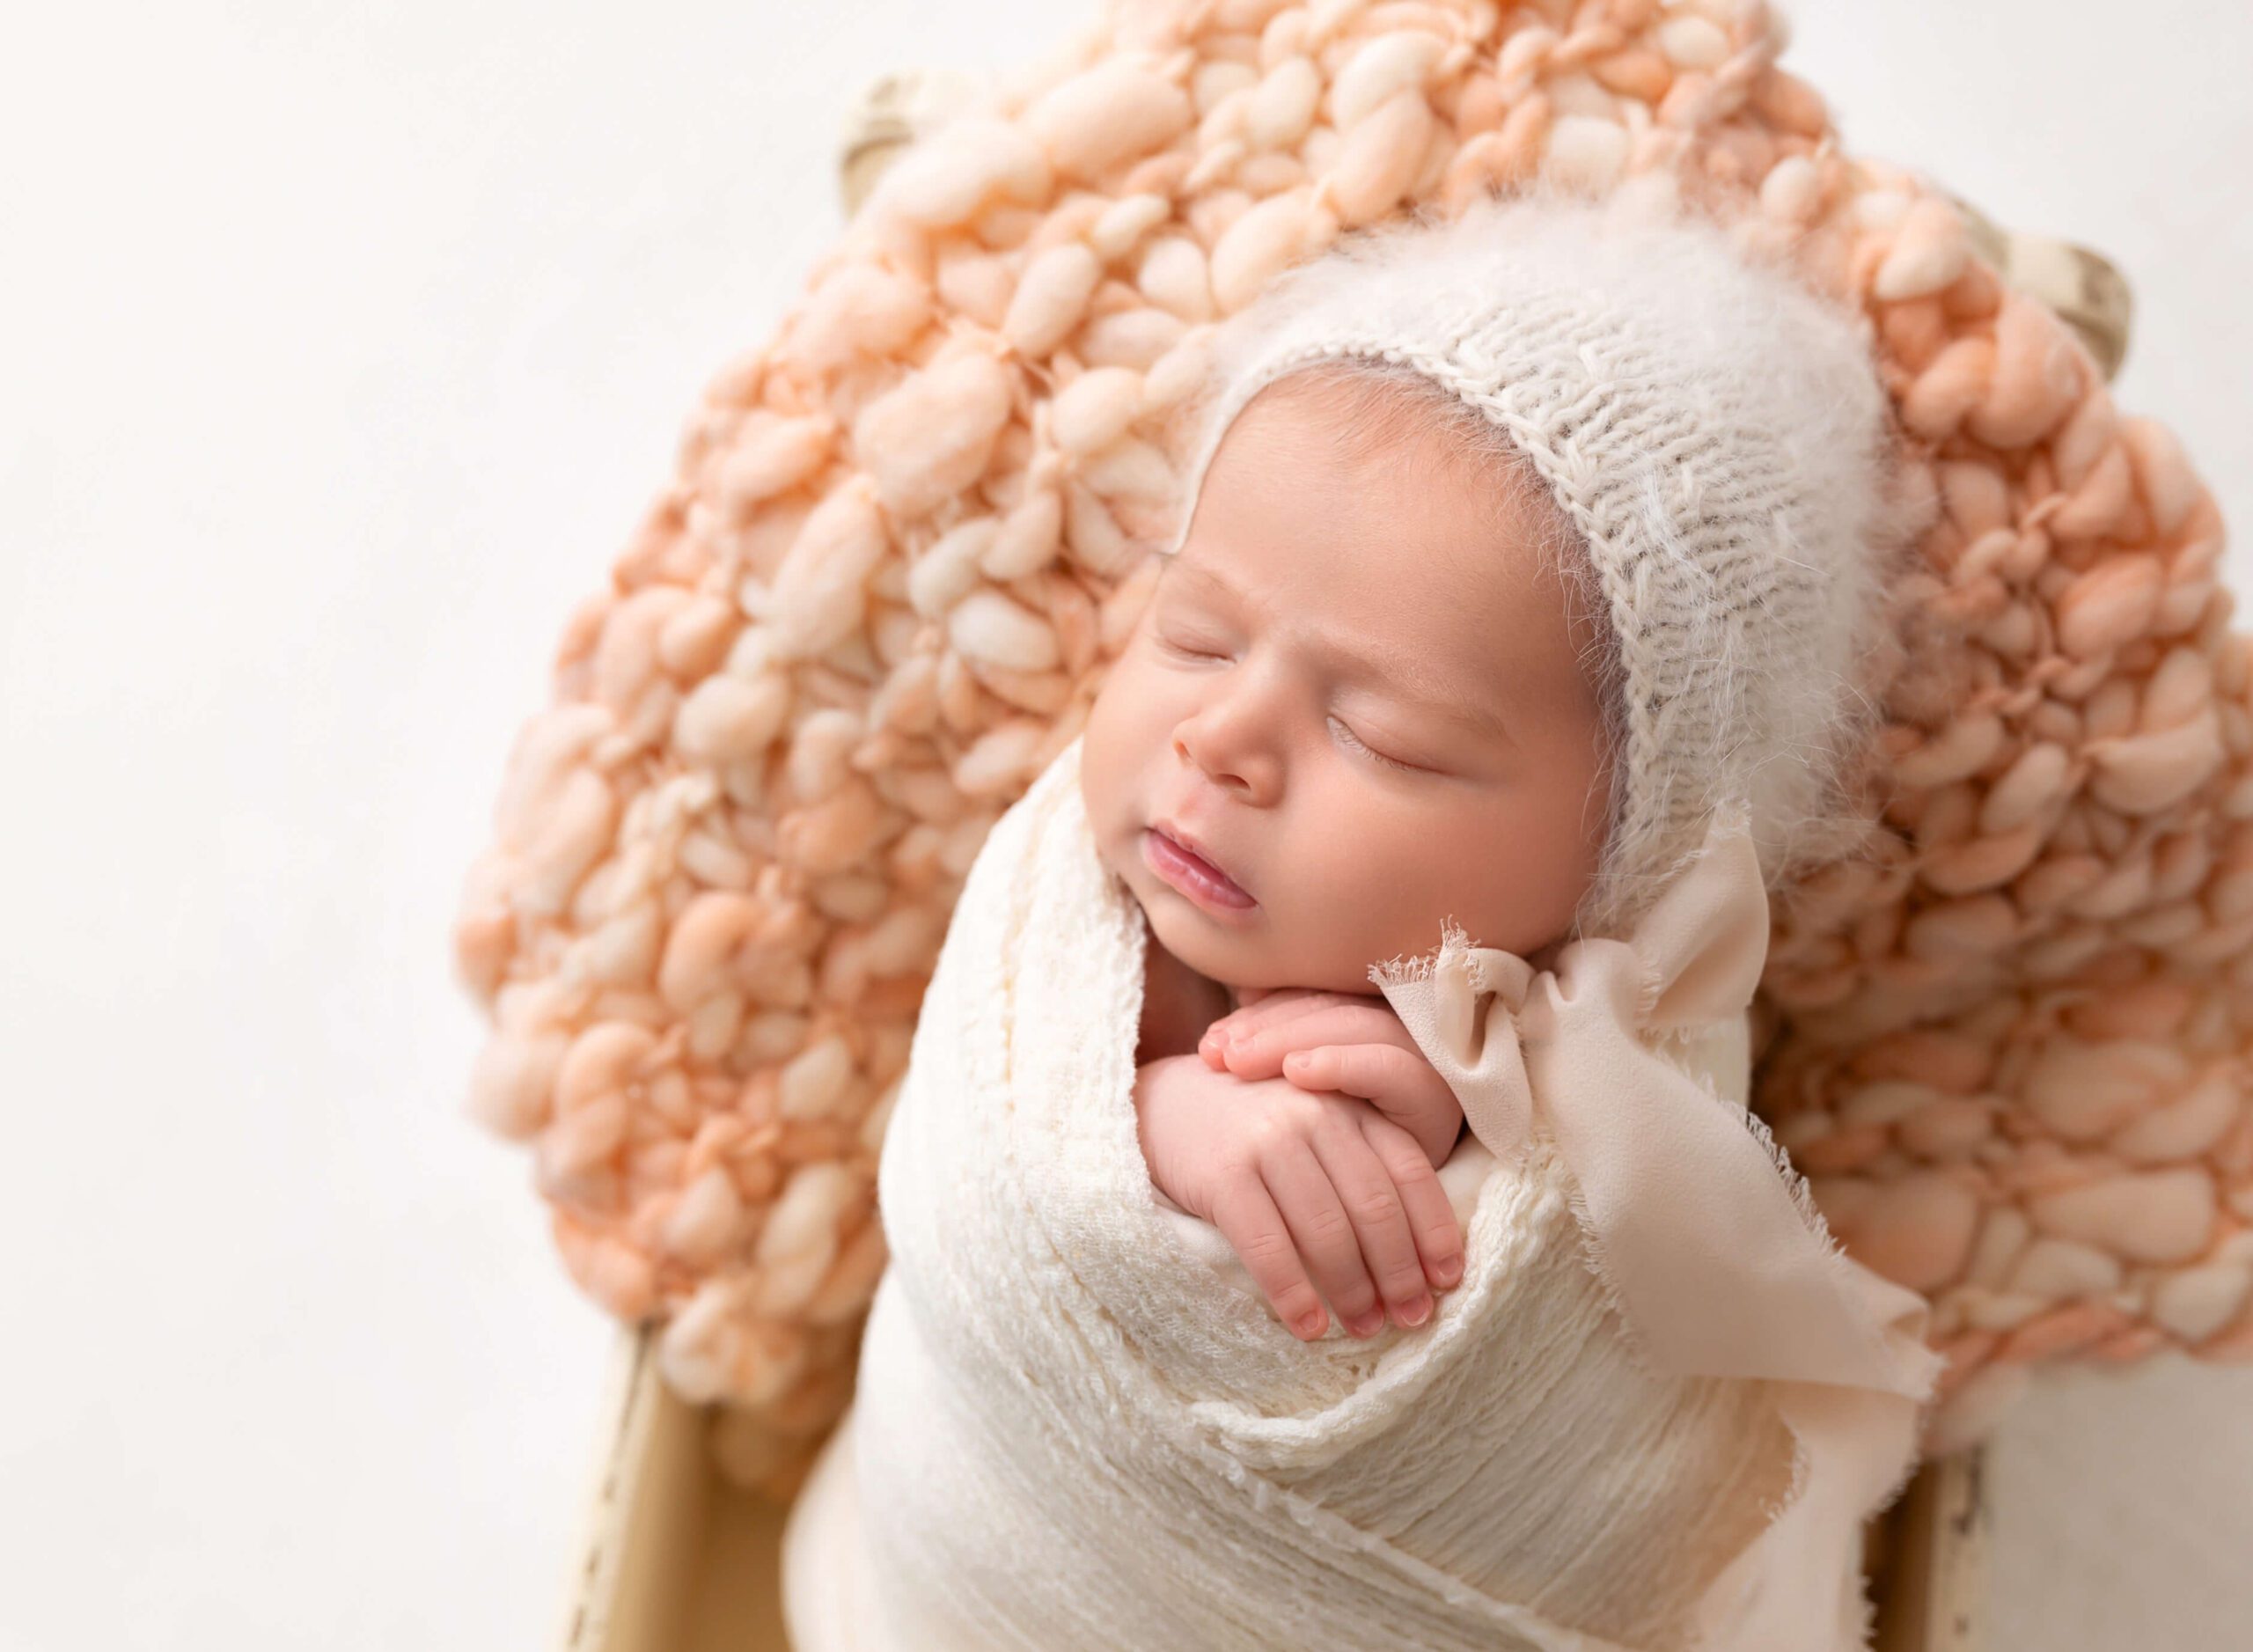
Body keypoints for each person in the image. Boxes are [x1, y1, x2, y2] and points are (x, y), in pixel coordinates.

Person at [782, 184, 1944, 1652]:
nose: (1222, 738)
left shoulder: (1635, 1090)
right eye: (1193, 632)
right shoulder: (1055, 913)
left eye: (1384, 735)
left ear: (1621, 858)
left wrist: (1474, 1129)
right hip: (952, 1582)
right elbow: (1003, 1148)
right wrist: (1155, 1120)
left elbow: (1598, 1364)